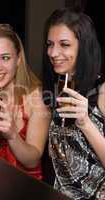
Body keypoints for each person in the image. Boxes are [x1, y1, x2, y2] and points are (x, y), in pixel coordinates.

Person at [0, 24, 51, 180]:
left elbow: (32, 161)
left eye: (5, 57)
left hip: (26, 188)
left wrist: (13, 135)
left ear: (18, 59)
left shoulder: (37, 98)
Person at [42, 7, 105, 199]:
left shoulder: (102, 90)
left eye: (64, 44)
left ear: (83, 46)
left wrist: (86, 123)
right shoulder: (56, 87)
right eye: (50, 44)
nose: (53, 52)